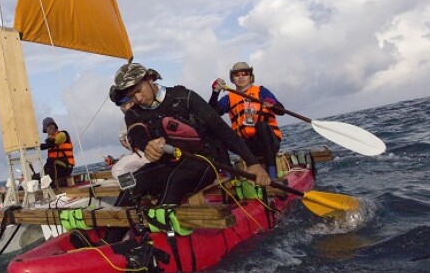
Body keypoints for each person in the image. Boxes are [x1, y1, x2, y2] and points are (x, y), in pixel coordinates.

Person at [108, 62, 271, 215]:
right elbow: (135, 134)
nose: (137, 98)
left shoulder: (185, 97)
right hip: (168, 163)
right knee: (133, 183)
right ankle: (107, 239)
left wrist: (253, 163)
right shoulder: (133, 113)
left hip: (205, 161)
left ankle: (161, 227)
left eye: (138, 90)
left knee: (176, 180)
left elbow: (222, 130)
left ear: (150, 79)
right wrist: (146, 145)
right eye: (131, 96)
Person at [209, 61, 285, 178]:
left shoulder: (261, 91)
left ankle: (272, 175)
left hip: (268, 142)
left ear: (251, 77)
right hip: (246, 147)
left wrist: (273, 104)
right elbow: (212, 113)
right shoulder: (229, 98)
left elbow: (281, 111)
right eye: (237, 75)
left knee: (261, 126)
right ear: (232, 79)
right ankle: (229, 176)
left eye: (245, 74)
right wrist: (215, 92)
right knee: (217, 133)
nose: (241, 77)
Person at [40, 117, 75, 187]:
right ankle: (46, 185)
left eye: (51, 125)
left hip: (66, 168)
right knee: (41, 173)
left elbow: (52, 143)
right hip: (56, 169)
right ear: (45, 130)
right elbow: (47, 145)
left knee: (51, 161)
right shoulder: (50, 140)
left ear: (55, 126)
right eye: (48, 127)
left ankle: (53, 185)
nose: (50, 128)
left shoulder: (63, 134)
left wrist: (40, 146)